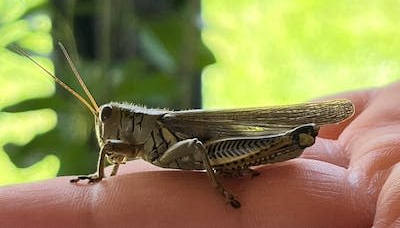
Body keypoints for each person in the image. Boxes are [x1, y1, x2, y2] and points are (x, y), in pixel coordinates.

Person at [1, 82, 400, 228]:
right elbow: (112, 149)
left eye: (110, 117)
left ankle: (287, 140)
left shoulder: (161, 131)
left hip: (219, 150)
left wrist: (224, 191)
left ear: (127, 118)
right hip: (210, 155)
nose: (106, 127)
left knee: (192, 146)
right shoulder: (128, 142)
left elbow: (191, 149)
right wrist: (101, 176)